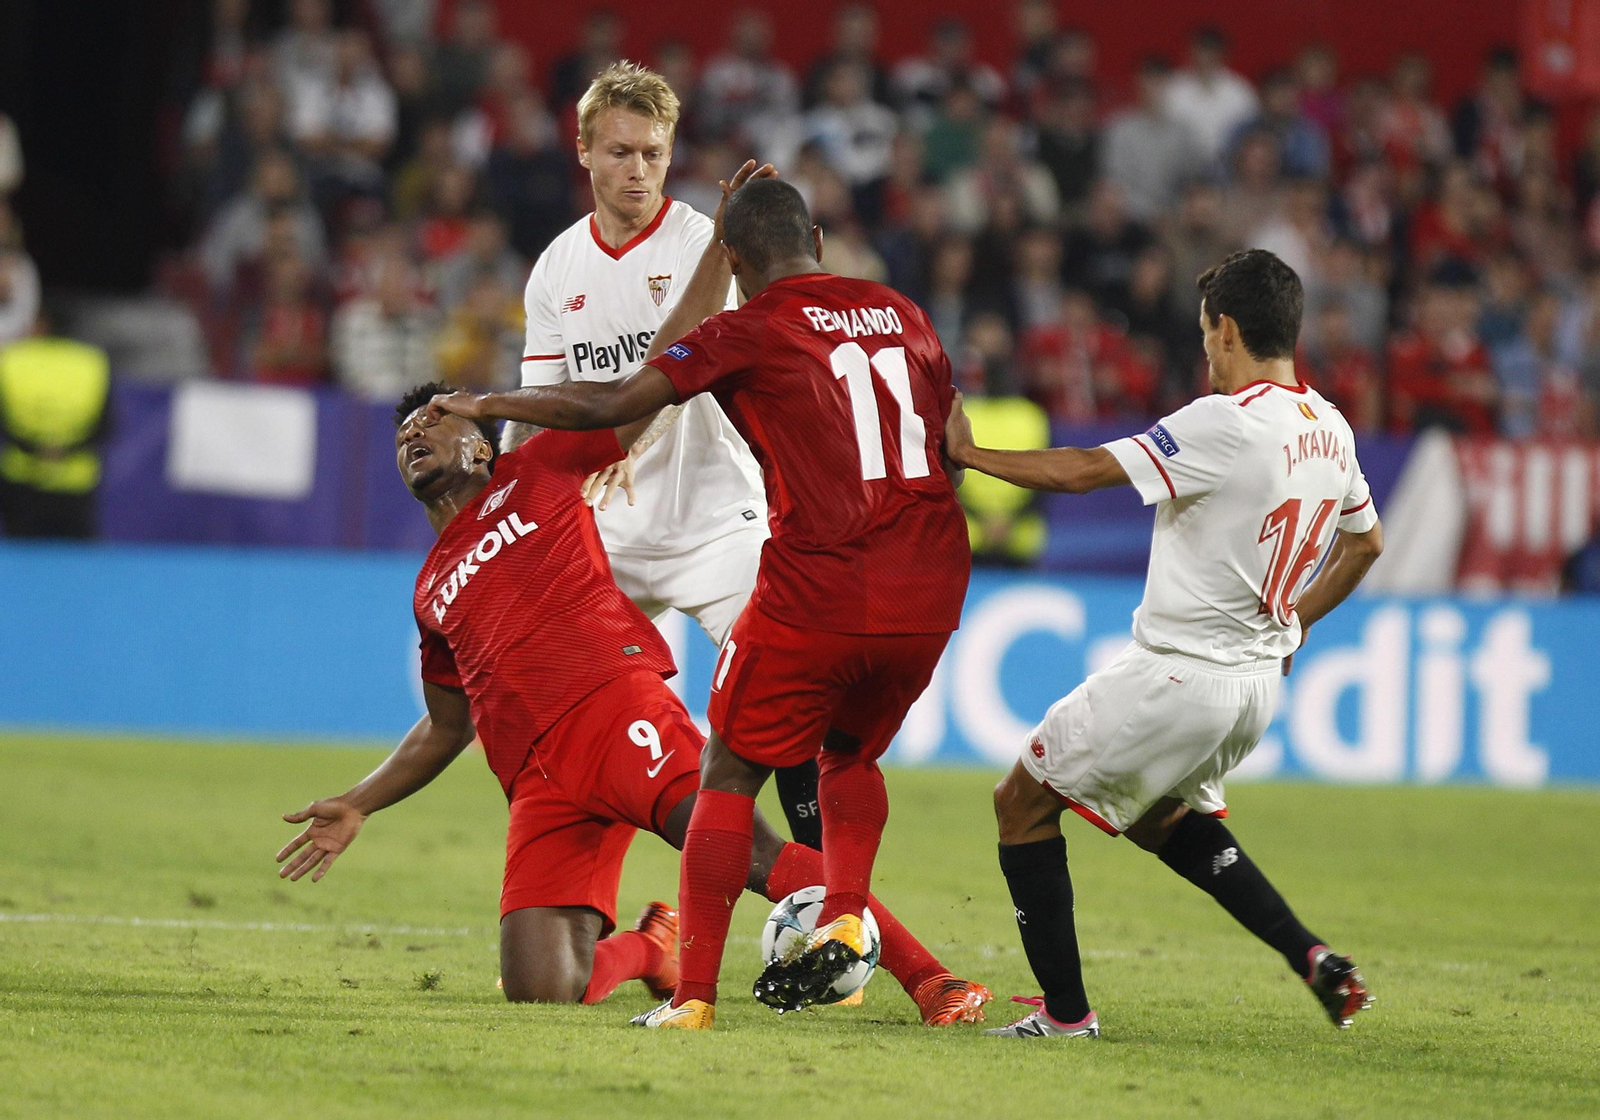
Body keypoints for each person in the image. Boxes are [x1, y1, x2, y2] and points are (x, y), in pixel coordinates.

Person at [425, 176, 977, 1030]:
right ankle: (855, 935)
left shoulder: (748, 326)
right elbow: (955, 445)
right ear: (819, 242)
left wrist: (490, 401)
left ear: (736, 261)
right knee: (845, 761)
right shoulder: (900, 309)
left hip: (798, 568)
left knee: (728, 781)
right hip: (927, 575)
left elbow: (615, 404)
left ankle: (702, 996)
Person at [278, 371, 986, 1023]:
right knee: (542, 990)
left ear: (482, 447)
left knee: (750, 855)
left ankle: (932, 981)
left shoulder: (538, 472)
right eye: (403, 433)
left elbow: (639, 394)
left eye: (433, 421)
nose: (413, 435)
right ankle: (652, 948)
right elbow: (444, 726)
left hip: (615, 711)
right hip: (537, 783)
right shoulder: (431, 586)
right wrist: (358, 802)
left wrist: (708, 265)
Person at [941, 249, 1382, 1039]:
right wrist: (1300, 618)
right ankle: (1311, 957)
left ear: (1231, 330)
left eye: (1208, 332)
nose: (1205, 349)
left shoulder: (1227, 422)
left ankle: (1066, 1018)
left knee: (1021, 803)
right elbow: (1366, 545)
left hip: (1179, 675)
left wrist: (970, 456)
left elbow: (1082, 470)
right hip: (1253, 690)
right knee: (1158, 820)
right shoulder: (1331, 428)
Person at [509, 62, 825, 851]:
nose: (638, 170)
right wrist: (512, 500)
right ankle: (584, 908)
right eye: (620, 152)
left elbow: (688, 359)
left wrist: (628, 433)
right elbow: (541, 405)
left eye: (653, 153)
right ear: (582, 150)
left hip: (717, 518)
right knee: (563, 716)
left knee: (793, 690)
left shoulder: (703, 242)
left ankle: (829, 895)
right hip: (606, 530)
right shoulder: (557, 268)